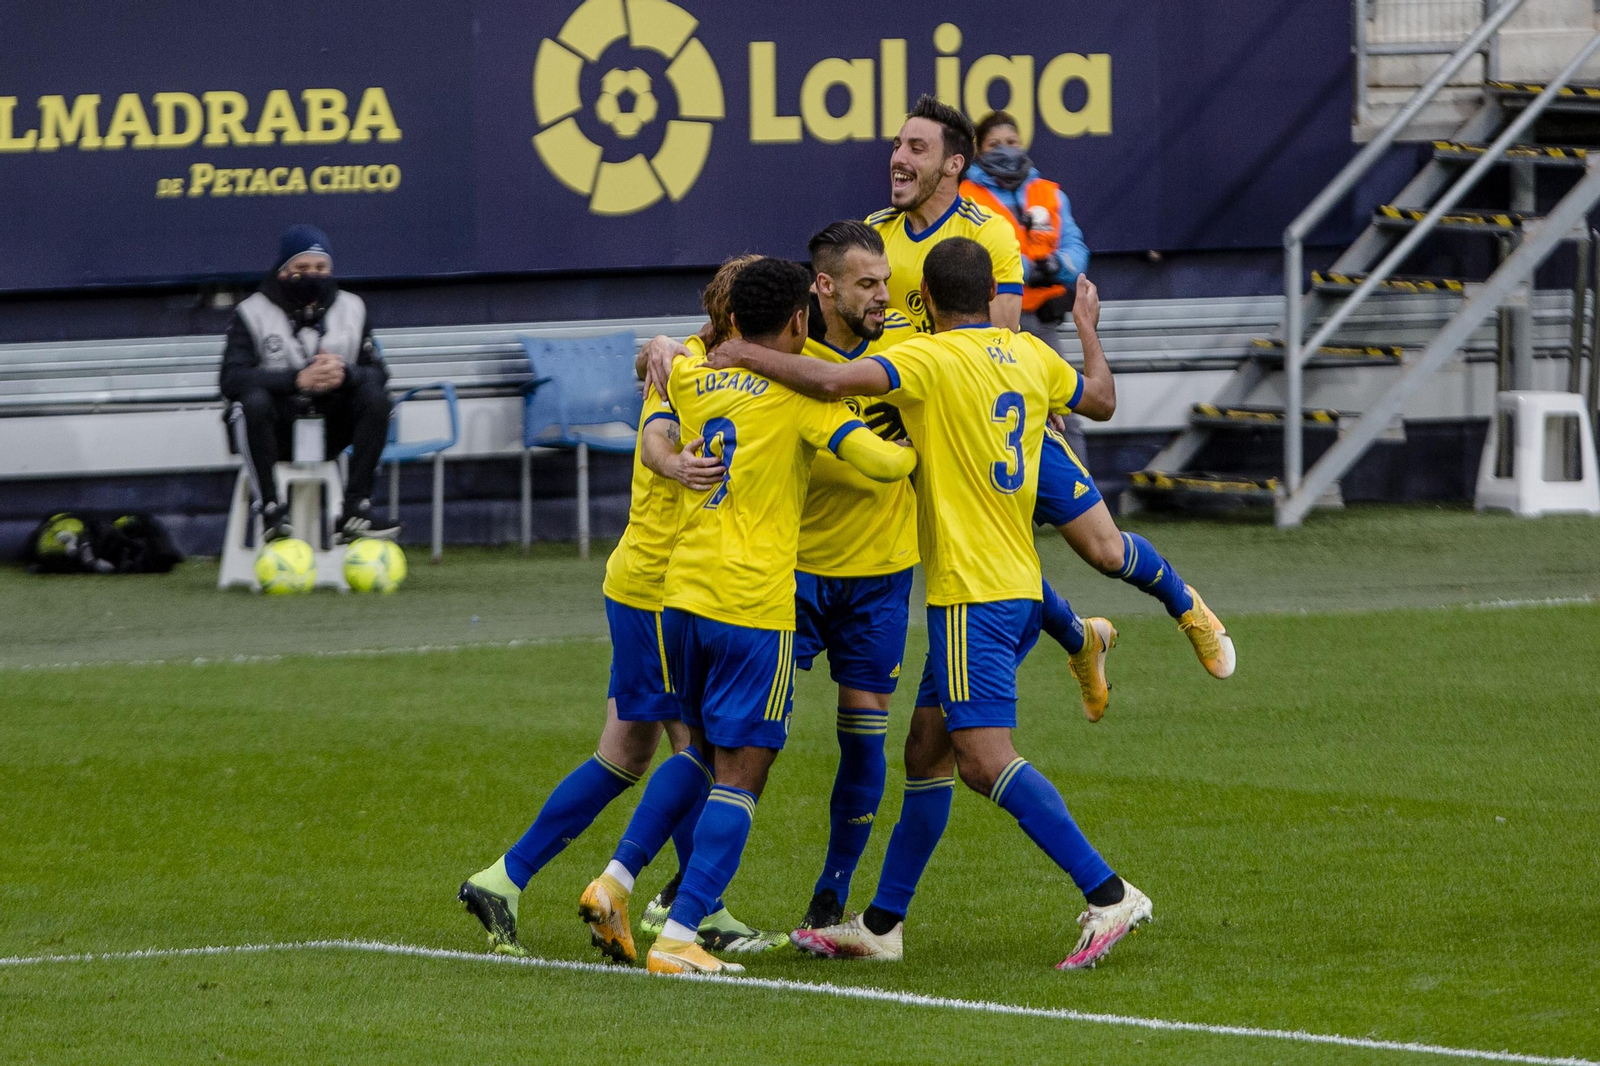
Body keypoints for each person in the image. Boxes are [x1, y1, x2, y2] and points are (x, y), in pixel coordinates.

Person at [707, 238, 1150, 970]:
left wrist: (744, 354)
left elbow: (829, 383)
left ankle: (1108, 894)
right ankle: (882, 924)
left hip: (973, 594)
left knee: (983, 760)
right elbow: (1100, 400)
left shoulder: (927, 360)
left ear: (927, 302)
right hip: (1016, 583)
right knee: (926, 752)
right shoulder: (1027, 353)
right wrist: (1087, 328)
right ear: (984, 294)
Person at [578, 258, 918, 976]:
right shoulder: (801, 400)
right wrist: (922, 446)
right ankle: (681, 936)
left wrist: (664, 351)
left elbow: (661, 400)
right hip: (753, 605)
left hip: (680, 596)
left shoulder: (696, 376)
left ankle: (615, 881)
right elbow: (881, 467)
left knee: (696, 754)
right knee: (742, 773)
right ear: (799, 321)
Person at [458, 256, 784, 958]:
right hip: (663, 587)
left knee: (631, 753)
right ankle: (685, 904)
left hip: (654, 584)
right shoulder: (692, 368)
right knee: (696, 753)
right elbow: (656, 434)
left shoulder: (701, 364)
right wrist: (673, 461)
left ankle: (506, 880)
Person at [219, 224, 398, 543]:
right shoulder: (253, 312)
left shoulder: (352, 308)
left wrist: (345, 373)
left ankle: (356, 510)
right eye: (302, 268)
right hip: (277, 431)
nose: (312, 275)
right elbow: (231, 378)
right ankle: (271, 510)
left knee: (376, 397)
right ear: (283, 271)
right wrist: (297, 379)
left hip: (331, 427)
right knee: (251, 401)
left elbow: (379, 373)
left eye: (320, 268)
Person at [870, 95, 1024, 333]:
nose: (898, 158)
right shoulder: (873, 231)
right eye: (897, 146)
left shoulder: (988, 232)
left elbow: (1001, 339)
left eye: (916, 149)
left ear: (953, 165)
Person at [961, 109, 1089, 328]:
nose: (1005, 150)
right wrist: (1027, 270)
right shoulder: (964, 197)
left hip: (1044, 321)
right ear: (979, 150)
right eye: (994, 145)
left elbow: (1076, 248)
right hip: (994, 320)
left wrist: (1056, 265)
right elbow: (967, 257)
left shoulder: (1050, 193)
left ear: (1022, 144)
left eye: (1012, 142)